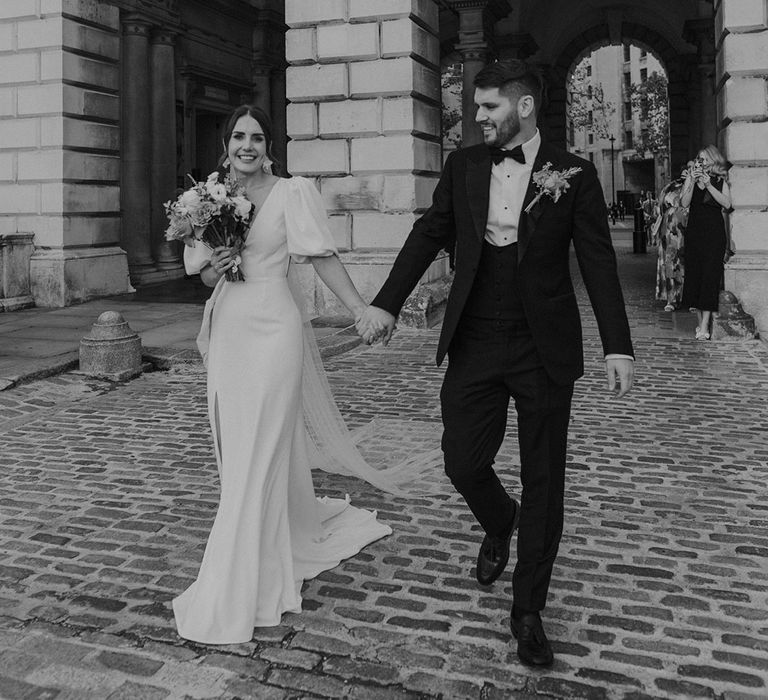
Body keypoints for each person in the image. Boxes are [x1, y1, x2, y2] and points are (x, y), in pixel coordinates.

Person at [357, 60, 634, 667]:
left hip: (544, 347)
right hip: (476, 336)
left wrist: (617, 344)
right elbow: (429, 234)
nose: (476, 117)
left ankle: (528, 609)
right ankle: (497, 516)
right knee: (461, 458)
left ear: (524, 107)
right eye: (475, 107)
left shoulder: (575, 174)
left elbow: (596, 261)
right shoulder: (464, 166)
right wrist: (385, 303)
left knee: (545, 480)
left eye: (487, 107)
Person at [172, 105, 442, 644]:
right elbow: (200, 275)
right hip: (230, 327)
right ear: (226, 144)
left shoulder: (292, 193)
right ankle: (264, 531)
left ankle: (243, 568)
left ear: (269, 146)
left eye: (257, 137)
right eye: (238, 136)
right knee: (236, 439)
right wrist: (217, 262)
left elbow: (320, 256)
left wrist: (361, 307)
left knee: (263, 443)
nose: (247, 145)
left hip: (275, 327)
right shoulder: (205, 199)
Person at [679, 145, 732, 340]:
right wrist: (691, 181)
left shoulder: (719, 180)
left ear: (713, 161)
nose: (702, 163)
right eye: (699, 159)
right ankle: (700, 322)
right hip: (694, 234)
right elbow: (684, 203)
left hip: (714, 235)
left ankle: (704, 326)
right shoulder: (691, 178)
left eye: (705, 159)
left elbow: (727, 204)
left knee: (710, 278)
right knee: (695, 276)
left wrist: (709, 184)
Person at [653, 169, 689, 311]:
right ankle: (671, 298)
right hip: (669, 233)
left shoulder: (698, 186)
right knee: (670, 264)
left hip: (688, 231)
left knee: (689, 264)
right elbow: (659, 209)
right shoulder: (670, 187)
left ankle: (689, 298)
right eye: (686, 168)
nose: (687, 171)